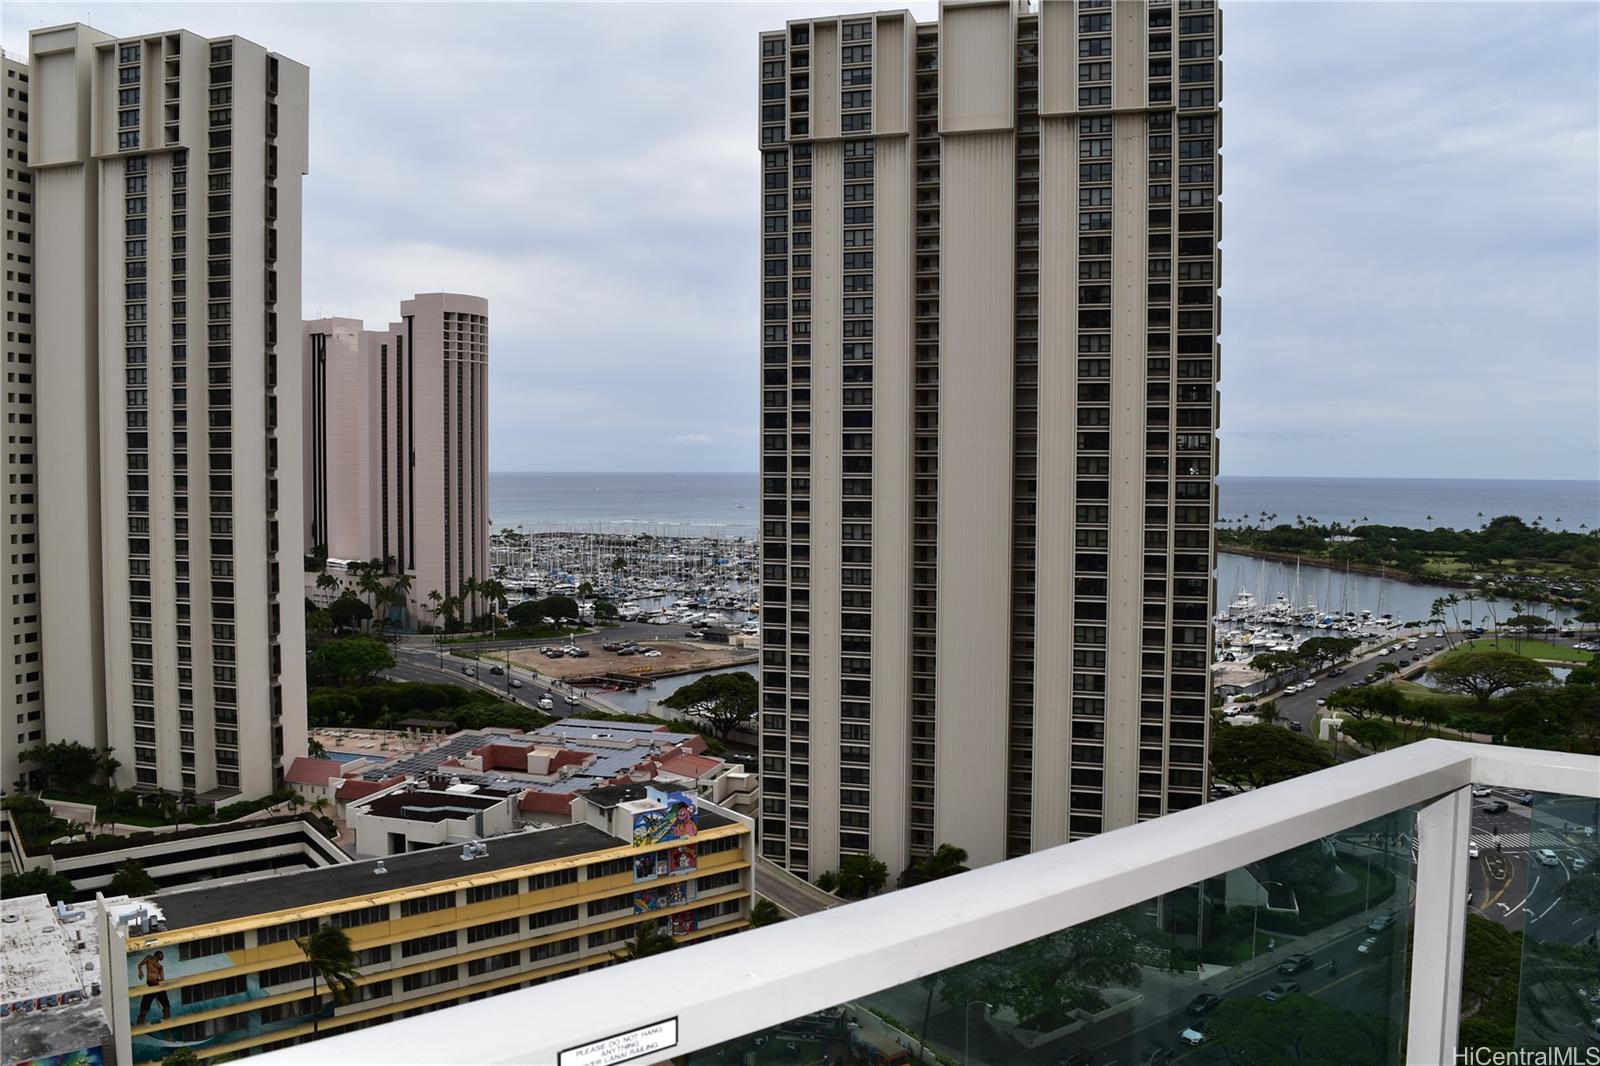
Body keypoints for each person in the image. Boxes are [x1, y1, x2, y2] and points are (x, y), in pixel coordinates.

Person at [135, 950, 170, 1024]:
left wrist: (162, 983)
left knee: (166, 1007)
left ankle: (167, 1024)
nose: (162, 956)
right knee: (144, 1009)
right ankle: (139, 1024)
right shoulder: (149, 958)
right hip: (150, 984)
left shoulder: (160, 966)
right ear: (158, 954)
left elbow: (162, 979)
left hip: (157, 984)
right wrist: (140, 971)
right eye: (161, 955)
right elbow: (140, 964)